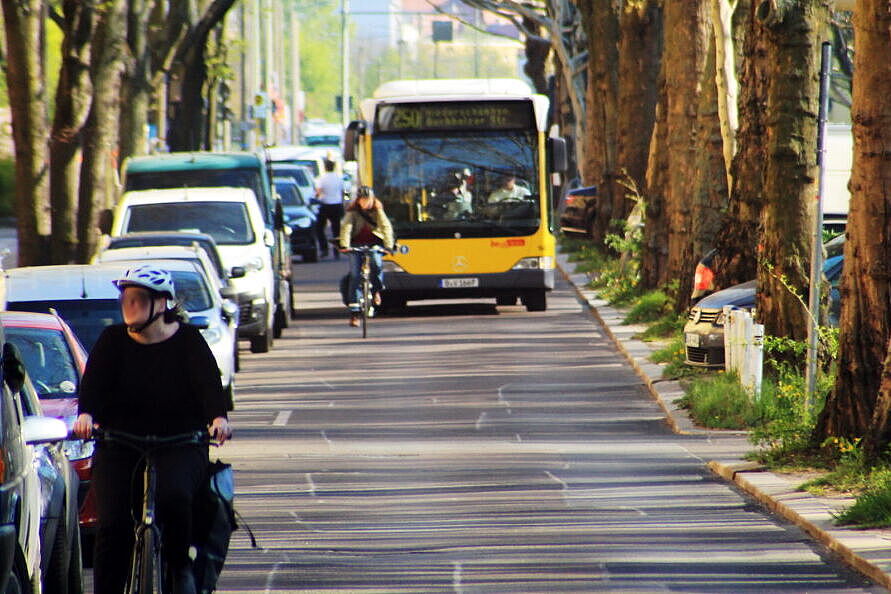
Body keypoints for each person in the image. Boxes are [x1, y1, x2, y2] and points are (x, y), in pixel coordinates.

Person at [72, 265, 232, 594]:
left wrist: (218, 419)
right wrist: (86, 415)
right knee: (113, 523)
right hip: (120, 441)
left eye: (138, 299)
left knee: (175, 497)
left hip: (180, 441)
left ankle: (180, 569)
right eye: (125, 299)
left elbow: (208, 386)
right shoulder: (112, 341)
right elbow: (94, 386)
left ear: (161, 304)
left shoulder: (188, 341)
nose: (129, 307)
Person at [339, 186, 395, 327]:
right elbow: (346, 227)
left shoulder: (377, 210)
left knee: (376, 265)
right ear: (358, 200)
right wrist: (345, 245)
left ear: (372, 199)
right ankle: (355, 313)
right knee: (355, 275)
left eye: (368, 200)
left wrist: (388, 246)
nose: (365, 203)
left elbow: (386, 227)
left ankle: (376, 290)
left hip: (374, 244)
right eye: (363, 200)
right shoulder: (353, 211)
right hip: (356, 244)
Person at [315, 158, 346, 258]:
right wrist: (345, 201)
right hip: (337, 205)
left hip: (325, 205)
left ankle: (324, 249)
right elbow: (345, 191)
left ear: (325, 167)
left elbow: (318, 192)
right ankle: (337, 251)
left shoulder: (322, 178)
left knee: (319, 228)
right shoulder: (339, 178)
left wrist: (315, 198)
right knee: (336, 229)